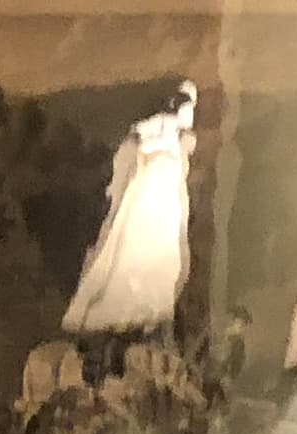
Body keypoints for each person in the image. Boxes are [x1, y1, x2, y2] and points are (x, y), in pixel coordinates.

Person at [64, 82, 197, 357]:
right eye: (183, 104)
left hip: (165, 206)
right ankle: (120, 323)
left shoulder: (181, 139)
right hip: (148, 201)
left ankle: (151, 322)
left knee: (162, 266)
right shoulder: (155, 128)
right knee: (132, 259)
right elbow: (135, 147)